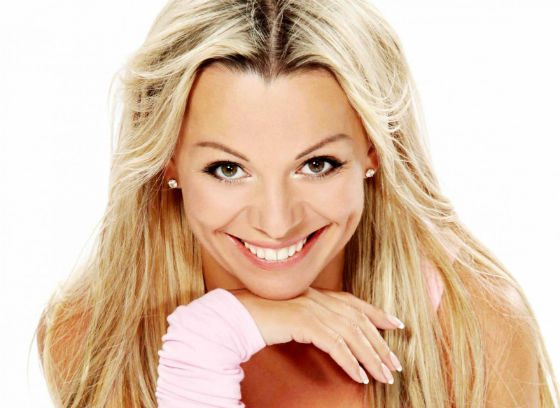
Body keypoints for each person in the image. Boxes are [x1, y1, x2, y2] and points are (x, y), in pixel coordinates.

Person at [35, 0, 559, 407]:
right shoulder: (95, 340)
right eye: (228, 169)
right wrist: (207, 342)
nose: (277, 221)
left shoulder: (473, 328)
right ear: (168, 161)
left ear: (374, 150)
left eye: (318, 164)